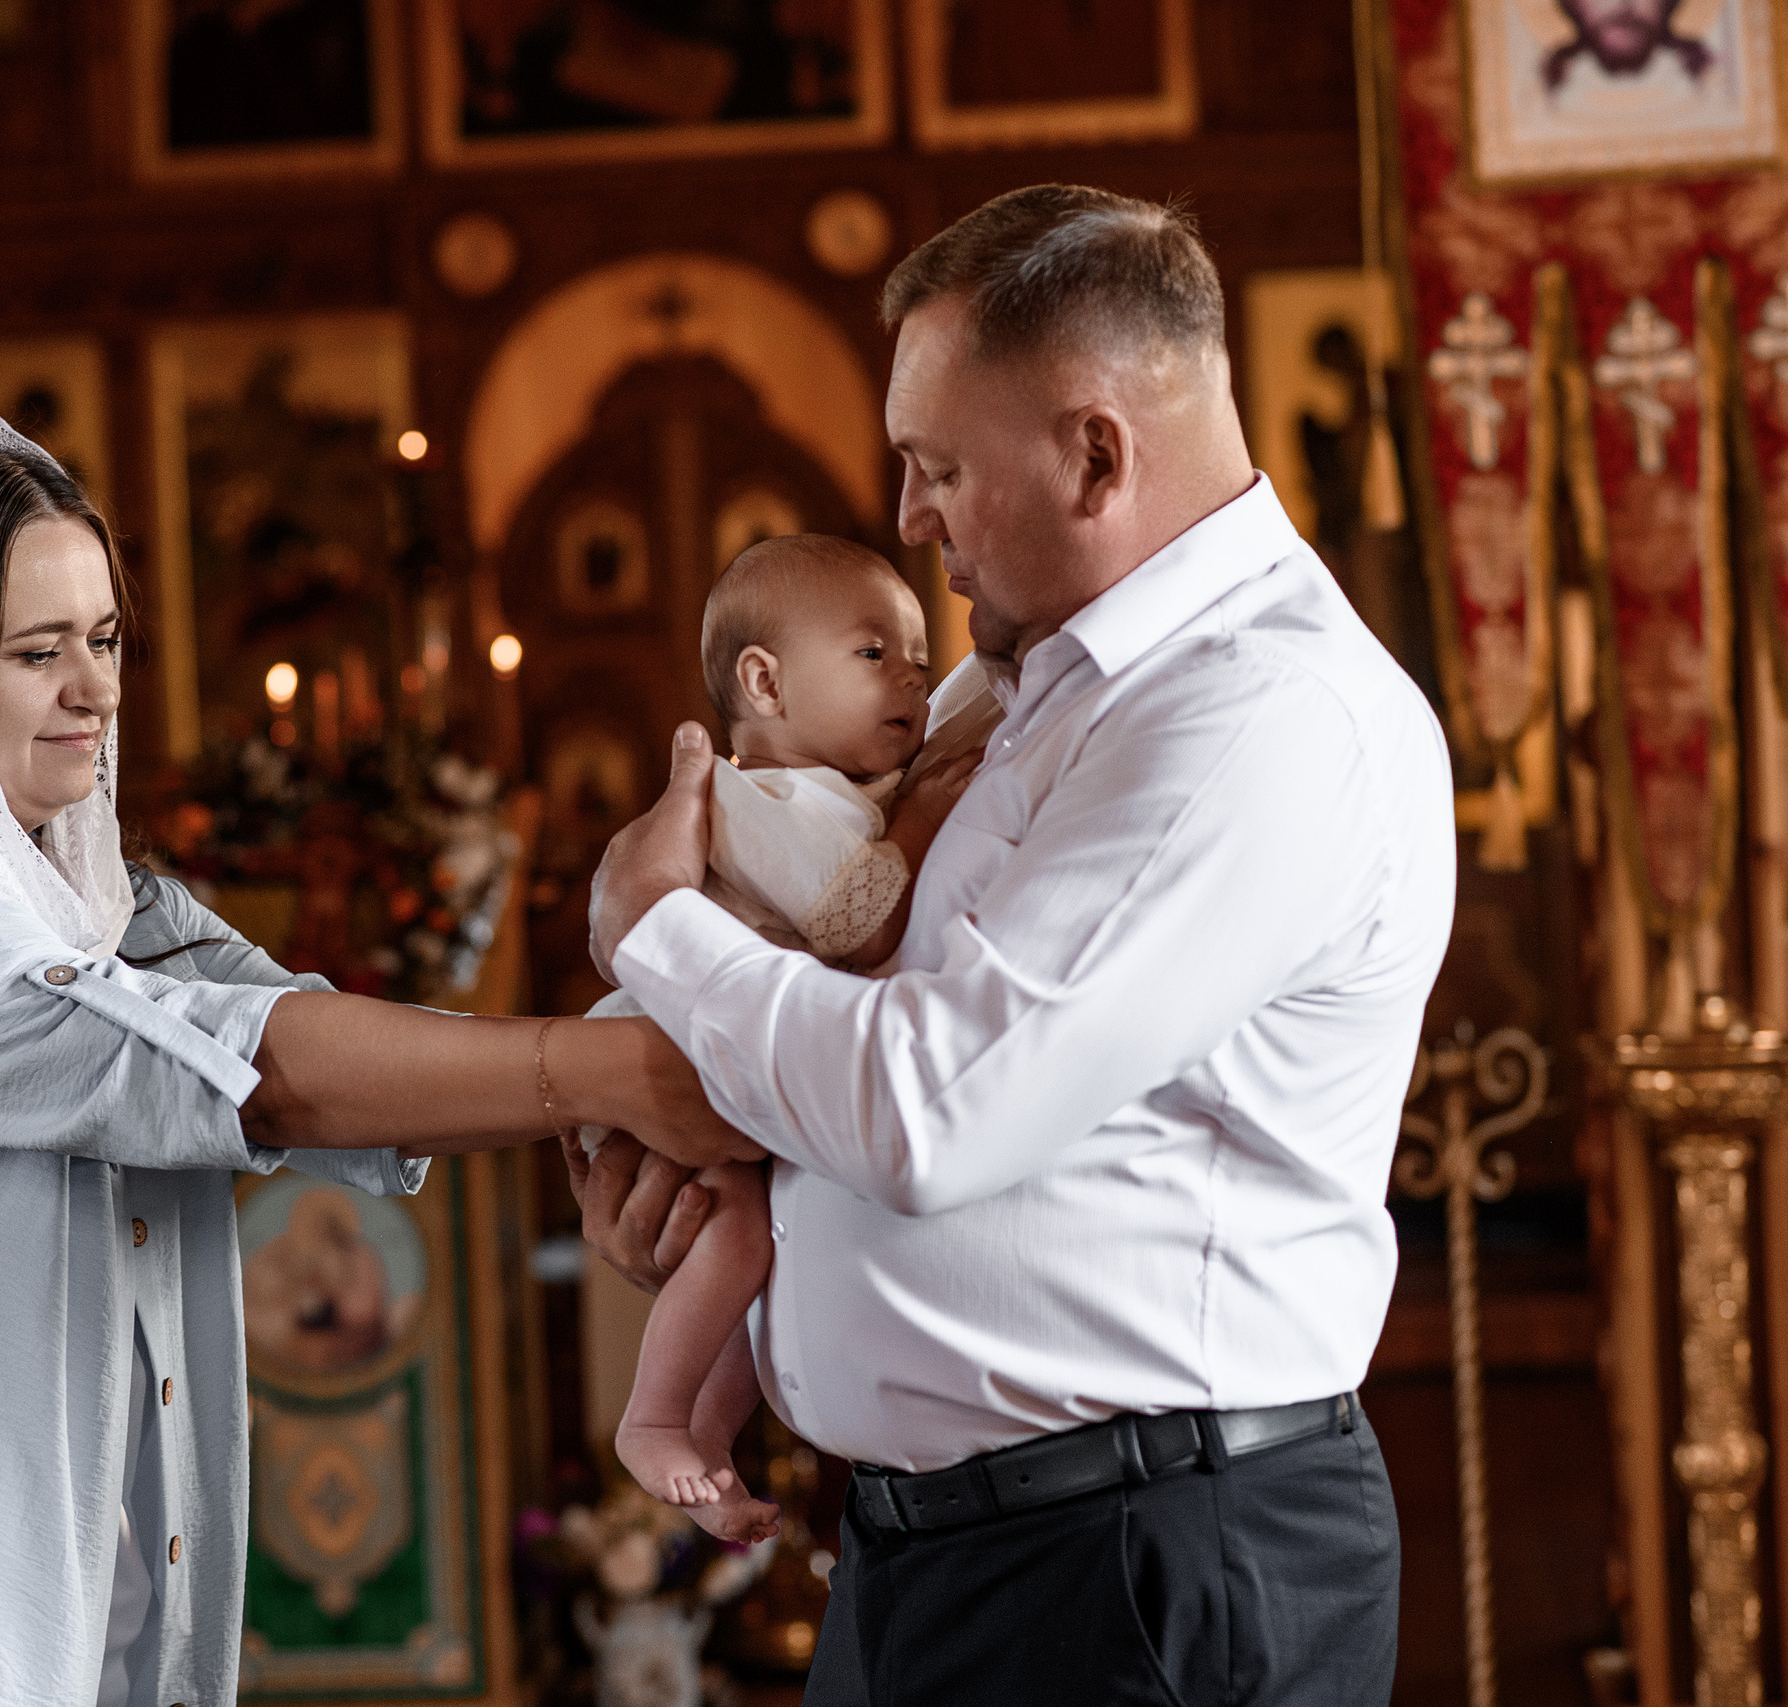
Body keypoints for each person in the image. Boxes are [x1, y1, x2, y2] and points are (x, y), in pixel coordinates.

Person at [0, 416, 745, 1707]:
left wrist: (593, 1106)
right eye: (38, 652)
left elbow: (304, 1028)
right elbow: (240, 1069)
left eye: (102, 639)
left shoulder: (92, 901)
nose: (95, 689)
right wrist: (608, 1073)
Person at [576, 185, 1456, 1705]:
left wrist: (652, 928)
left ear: (1097, 453)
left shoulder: (1253, 716)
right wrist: (688, 1153)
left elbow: (932, 1107)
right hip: (952, 1550)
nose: (909, 519)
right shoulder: (1036, 680)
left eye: (938, 470)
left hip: (1136, 1562)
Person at [588, 535, 990, 1542]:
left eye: (915, 656)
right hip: (668, 1064)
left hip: (733, 1070)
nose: (912, 674)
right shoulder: (757, 797)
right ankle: (654, 1418)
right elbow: (855, 922)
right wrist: (925, 819)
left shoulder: (840, 792)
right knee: (729, 1233)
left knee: (750, 1246)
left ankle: (704, 1439)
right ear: (762, 683)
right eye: (872, 654)